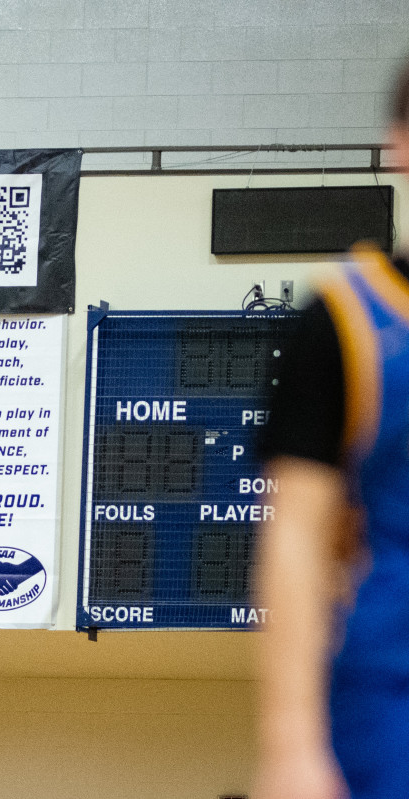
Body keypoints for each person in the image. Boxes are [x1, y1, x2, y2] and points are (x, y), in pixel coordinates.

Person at [255, 59, 409, 799]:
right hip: (390, 690)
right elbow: (294, 535)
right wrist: (289, 743)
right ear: (399, 145)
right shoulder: (345, 320)